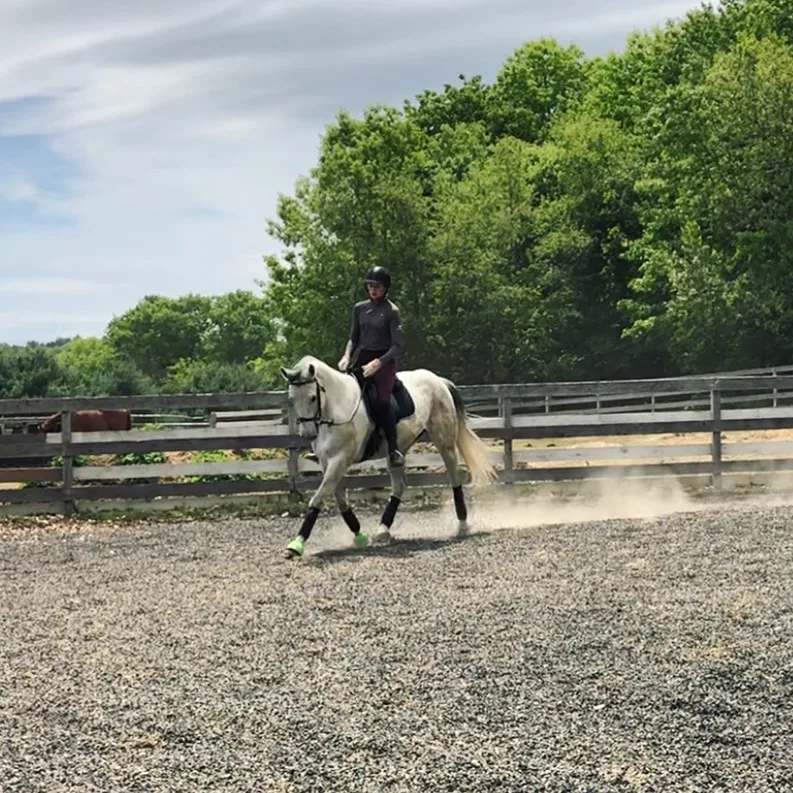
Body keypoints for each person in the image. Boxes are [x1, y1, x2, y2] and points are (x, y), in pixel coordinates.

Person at [339, 266, 405, 467]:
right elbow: (353, 338)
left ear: (385, 288)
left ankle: (393, 449)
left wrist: (379, 363)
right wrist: (346, 355)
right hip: (361, 358)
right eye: (370, 286)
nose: (373, 290)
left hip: (383, 361)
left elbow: (397, 346)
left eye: (377, 286)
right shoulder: (359, 309)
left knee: (382, 401)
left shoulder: (392, 311)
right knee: (342, 395)